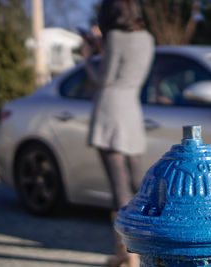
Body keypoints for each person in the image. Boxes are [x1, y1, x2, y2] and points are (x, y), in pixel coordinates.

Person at [82, 1, 154, 267]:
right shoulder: (147, 38)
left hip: (110, 113)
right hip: (131, 112)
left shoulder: (114, 37)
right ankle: (133, 254)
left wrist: (89, 57)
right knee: (136, 185)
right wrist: (105, 47)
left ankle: (128, 258)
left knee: (119, 189)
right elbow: (127, 69)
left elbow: (103, 79)